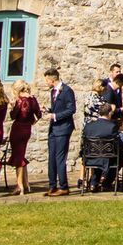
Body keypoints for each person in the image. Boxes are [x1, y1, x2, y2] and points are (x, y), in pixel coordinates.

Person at [6, 79, 43, 196]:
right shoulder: (32, 99)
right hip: (27, 129)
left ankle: (19, 185)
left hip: (17, 128)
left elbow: (13, 116)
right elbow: (39, 114)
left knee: (18, 157)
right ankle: (26, 184)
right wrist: (32, 123)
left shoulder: (19, 100)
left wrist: (12, 107)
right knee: (21, 155)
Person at [45, 64, 76, 196]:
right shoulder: (53, 91)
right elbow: (58, 108)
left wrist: (55, 116)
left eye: (46, 80)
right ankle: (52, 185)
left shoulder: (67, 90)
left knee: (60, 157)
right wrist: (49, 111)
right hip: (54, 129)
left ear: (52, 79)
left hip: (63, 129)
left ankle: (63, 186)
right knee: (51, 157)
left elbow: (71, 110)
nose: (46, 83)